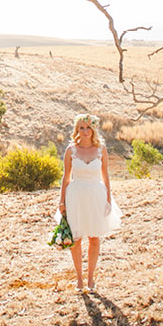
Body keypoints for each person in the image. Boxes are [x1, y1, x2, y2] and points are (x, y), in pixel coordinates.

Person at [57, 113, 122, 291]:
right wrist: (62, 201)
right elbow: (66, 177)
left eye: (88, 127)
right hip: (75, 195)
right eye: (81, 128)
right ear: (77, 130)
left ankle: (91, 278)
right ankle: (79, 278)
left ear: (93, 129)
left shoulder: (101, 149)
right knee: (76, 238)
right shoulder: (71, 150)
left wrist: (108, 199)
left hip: (95, 195)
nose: (85, 131)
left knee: (94, 237)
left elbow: (105, 175)